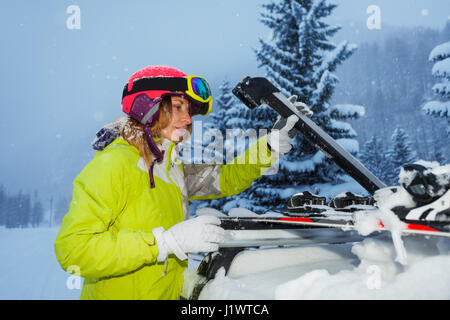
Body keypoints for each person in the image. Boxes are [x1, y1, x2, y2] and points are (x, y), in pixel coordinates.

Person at [54, 65, 310, 300]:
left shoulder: (170, 169)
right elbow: (74, 249)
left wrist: (269, 145)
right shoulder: (114, 165)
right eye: (178, 107)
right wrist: (164, 243)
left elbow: (225, 178)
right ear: (149, 107)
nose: (188, 119)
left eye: (188, 111)